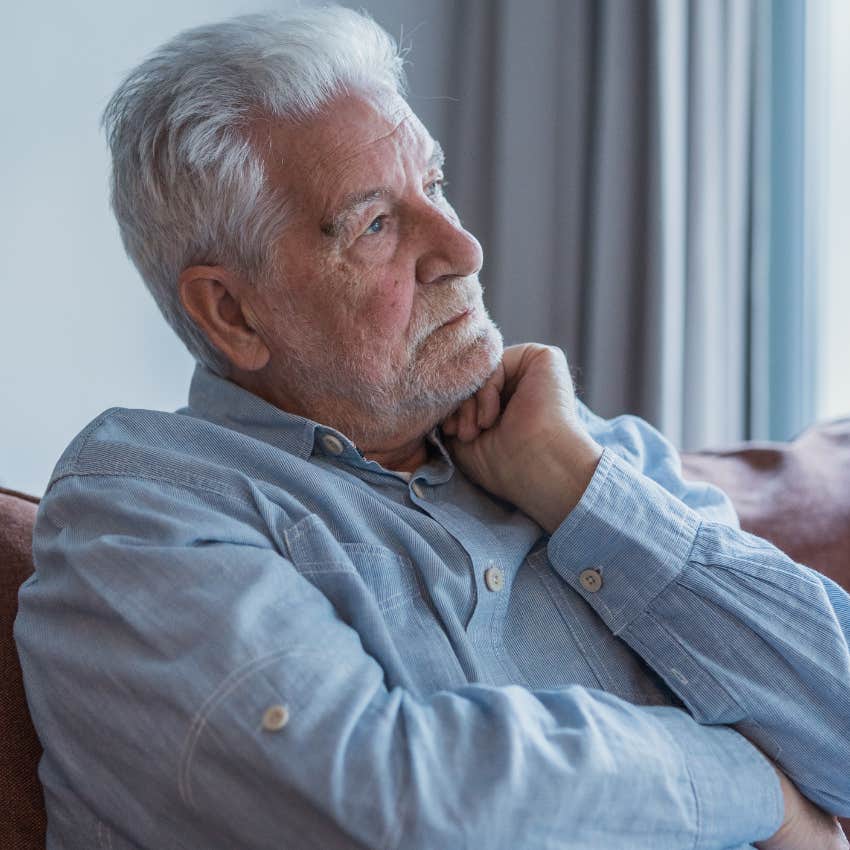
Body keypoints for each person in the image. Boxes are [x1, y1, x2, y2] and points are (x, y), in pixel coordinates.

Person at [14, 6, 850, 849]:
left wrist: (579, 488)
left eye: (437, 187)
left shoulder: (585, 453)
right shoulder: (145, 513)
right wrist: (756, 790)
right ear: (231, 312)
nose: (462, 246)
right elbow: (384, 807)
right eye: (375, 224)